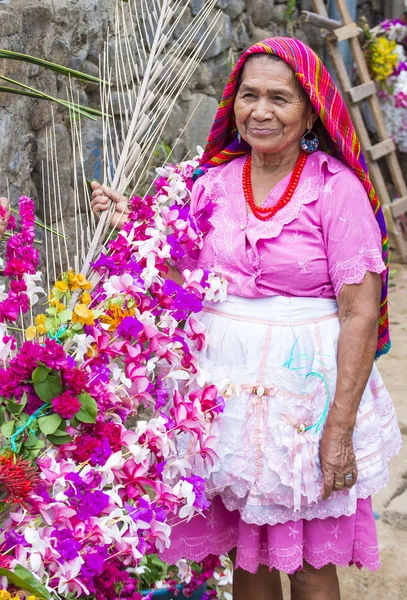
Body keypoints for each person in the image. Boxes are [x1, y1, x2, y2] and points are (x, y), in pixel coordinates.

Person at [91, 38, 401, 600]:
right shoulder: (210, 184)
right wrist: (130, 222)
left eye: (279, 98)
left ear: (311, 109)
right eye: (249, 95)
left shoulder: (336, 189)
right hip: (225, 402)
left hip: (306, 402)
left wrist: (338, 430)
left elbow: (358, 313)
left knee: (307, 563)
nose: (260, 111)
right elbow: (178, 270)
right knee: (248, 556)